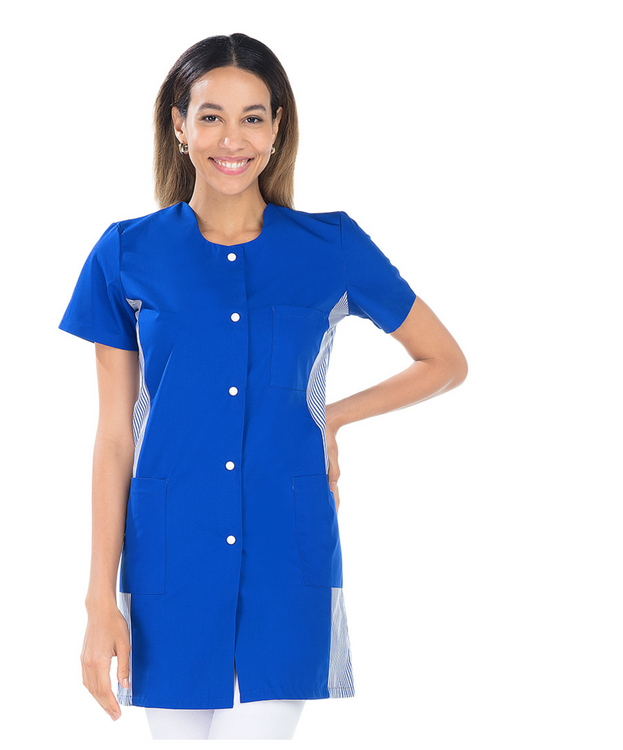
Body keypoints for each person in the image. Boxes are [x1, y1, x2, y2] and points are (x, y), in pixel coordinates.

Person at [58, 32, 468, 741]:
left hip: (285, 555)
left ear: (278, 129)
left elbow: (443, 360)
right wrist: (99, 600)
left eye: (253, 117)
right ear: (178, 126)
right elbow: (115, 437)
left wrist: (330, 417)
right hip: (171, 559)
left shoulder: (330, 247)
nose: (232, 139)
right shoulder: (126, 253)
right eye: (211, 116)